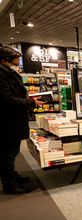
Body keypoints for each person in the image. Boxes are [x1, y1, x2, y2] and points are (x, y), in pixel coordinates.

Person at [0, 46, 43, 193]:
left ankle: (12, 176)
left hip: (13, 119)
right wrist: (30, 102)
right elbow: (7, 99)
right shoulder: (1, 74)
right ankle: (9, 183)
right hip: (8, 121)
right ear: (6, 59)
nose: (18, 60)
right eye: (16, 58)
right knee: (8, 152)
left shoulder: (8, 72)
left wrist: (27, 98)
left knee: (12, 151)